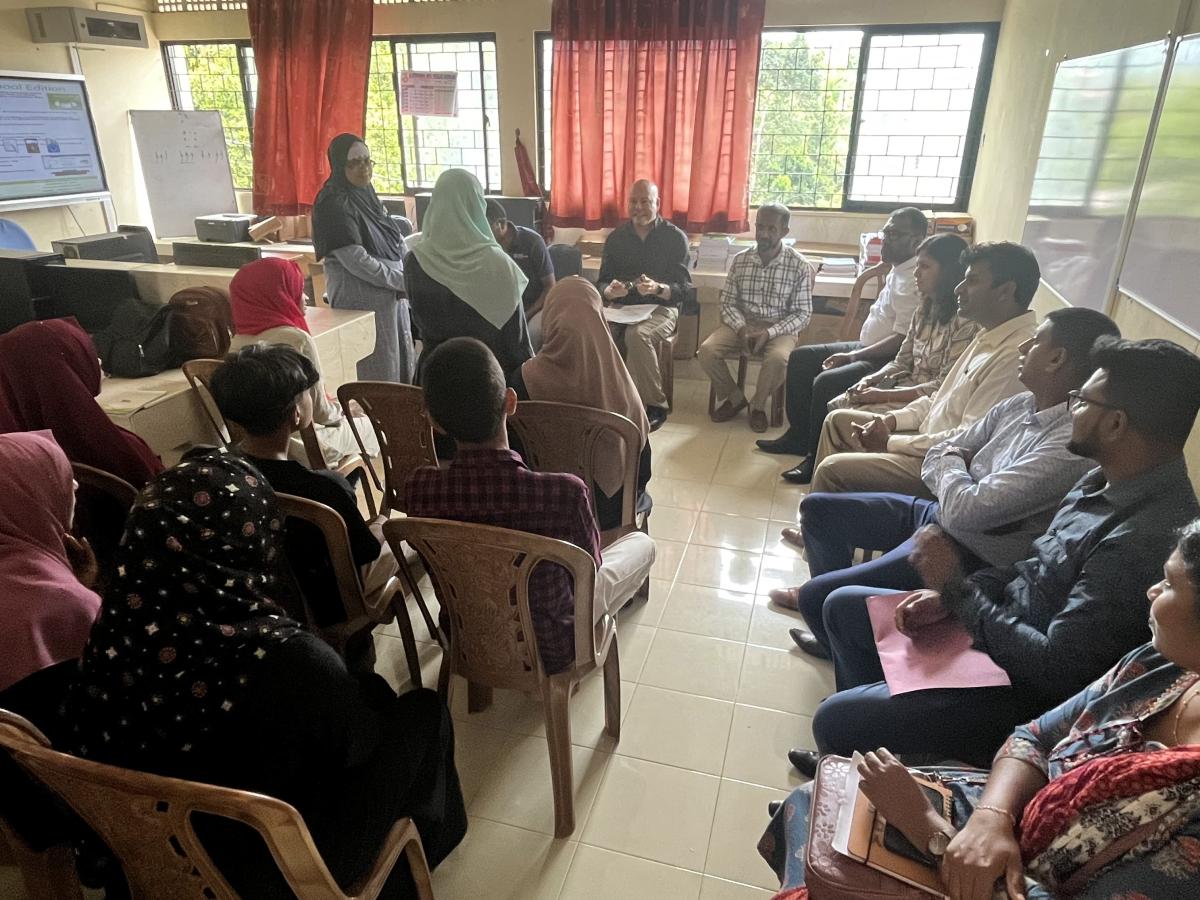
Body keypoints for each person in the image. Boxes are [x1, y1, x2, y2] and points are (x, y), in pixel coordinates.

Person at [787, 337, 1200, 775]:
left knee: (835, 719)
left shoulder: (1145, 537)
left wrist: (960, 594)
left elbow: (1053, 669)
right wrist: (950, 600)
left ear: (1116, 423)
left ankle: (875, 763)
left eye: (1082, 400)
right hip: (1000, 632)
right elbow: (1028, 569)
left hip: (1020, 689)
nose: (1072, 409)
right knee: (843, 609)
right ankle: (890, 742)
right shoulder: (1103, 479)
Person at [66, 450, 466, 899]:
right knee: (423, 712)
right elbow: (357, 746)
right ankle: (419, 856)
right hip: (274, 866)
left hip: (159, 853)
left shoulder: (112, 628)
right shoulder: (288, 660)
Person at [761, 519, 1200, 900]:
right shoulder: (1162, 666)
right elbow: (1036, 735)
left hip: (1006, 875)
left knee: (835, 801)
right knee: (822, 796)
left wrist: (931, 831)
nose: (1152, 589)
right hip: (1007, 822)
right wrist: (992, 818)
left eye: (1170, 584)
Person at [777, 308, 1120, 660]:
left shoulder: (1067, 444)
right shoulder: (1019, 405)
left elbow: (969, 510)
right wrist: (960, 467)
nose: (1024, 348)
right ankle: (843, 628)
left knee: (816, 597)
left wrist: (955, 464)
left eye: (1035, 343)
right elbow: (942, 453)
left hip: (969, 549)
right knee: (817, 511)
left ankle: (845, 630)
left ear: (1056, 359)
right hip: (939, 514)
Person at [404, 338, 657, 676]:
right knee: (641, 545)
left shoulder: (420, 491)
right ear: (510, 402)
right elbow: (591, 569)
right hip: (554, 645)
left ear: (433, 421)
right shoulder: (563, 494)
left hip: (465, 634)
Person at [209, 345, 395, 671]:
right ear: (296, 413)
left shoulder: (221, 473)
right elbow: (364, 551)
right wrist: (381, 525)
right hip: (328, 606)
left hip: (261, 600)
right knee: (402, 538)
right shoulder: (325, 490)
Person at [807, 241, 1040, 496]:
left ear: (1005, 291)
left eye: (972, 281)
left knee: (833, 469)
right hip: (926, 434)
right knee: (837, 420)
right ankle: (821, 515)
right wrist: (891, 419)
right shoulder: (988, 334)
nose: (959, 289)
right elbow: (937, 398)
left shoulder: (1014, 354)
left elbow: (967, 441)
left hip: (943, 464)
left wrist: (891, 442)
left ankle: (823, 524)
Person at [757, 207, 928, 482]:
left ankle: (814, 459)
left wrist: (853, 356)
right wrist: (854, 350)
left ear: (917, 240)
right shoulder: (899, 269)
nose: (886, 239)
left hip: (884, 359)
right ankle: (798, 436)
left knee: (826, 382)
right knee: (800, 359)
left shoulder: (914, 281)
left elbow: (900, 340)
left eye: (895, 234)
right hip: (865, 345)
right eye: (886, 232)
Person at [511, 277, 652, 532]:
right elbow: (642, 472)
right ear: (600, 319)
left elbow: (516, 456)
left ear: (549, 318)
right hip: (613, 515)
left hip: (549, 512)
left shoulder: (522, 380)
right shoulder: (620, 382)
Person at [227, 256, 378, 465]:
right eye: (296, 288)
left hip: (255, 451)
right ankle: (344, 488)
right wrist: (344, 411)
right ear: (277, 294)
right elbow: (320, 412)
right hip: (304, 446)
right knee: (374, 424)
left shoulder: (234, 345)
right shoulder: (294, 339)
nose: (305, 296)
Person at [0, 317, 163, 488]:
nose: (99, 361)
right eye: (82, 354)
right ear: (61, 372)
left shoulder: (14, 469)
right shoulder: (116, 449)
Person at [826, 233, 979, 416]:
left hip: (929, 403)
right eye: (917, 266)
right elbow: (901, 362)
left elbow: (943, 385)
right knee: (839, 402)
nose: (916, 273)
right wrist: (870, 380)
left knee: (841, 416)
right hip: (904, 386)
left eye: (925, 267)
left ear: (949, 272)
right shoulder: (924, 309)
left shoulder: (966, 322)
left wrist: (883, 396)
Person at [405, 168, 532, 382]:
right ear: (477, 205)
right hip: (487, 381)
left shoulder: (416, 261)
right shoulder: (499, 266)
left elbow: (418, 326)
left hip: (434, 379)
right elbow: (516, 343)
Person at [697, 204, 814, 432]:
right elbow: (728, 302)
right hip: (743, 323)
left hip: (779, 327)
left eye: (771, 229)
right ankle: (734, 398)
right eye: (760, 227)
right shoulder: (741, 260)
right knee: (707, 351)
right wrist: (741, 329)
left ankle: (757, 407)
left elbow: (803, 313)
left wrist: (769, 333)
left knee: (778, 359)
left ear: (784, 232)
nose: (763, 234)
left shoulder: (798, 265)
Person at [0, 431, 100, 694]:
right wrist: (82, 595)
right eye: (54, 475)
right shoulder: (66, 611)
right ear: (25, 498)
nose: (75, 485)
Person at [313, 133, 414, 383]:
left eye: (367, 161)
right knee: (378, 371)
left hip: (390, 295)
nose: (364, 168)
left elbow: (393, 237)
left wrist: (408, 273)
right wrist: (401, 281)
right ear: (339, 165)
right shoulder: (333, 203)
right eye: (355, 162)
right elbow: (356, 260)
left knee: (400, 363)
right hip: (362, 299)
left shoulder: (366, 195)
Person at [597, 179, 694, 431]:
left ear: (657, 204)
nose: (638, 207)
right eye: (633, 202)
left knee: (637, 335)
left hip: (661, 308)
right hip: (622, 308)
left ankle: (654, 405)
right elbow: (602, 282)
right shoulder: (617, 238)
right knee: (597, 330)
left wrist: (659, 289)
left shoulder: (675, 239)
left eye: (645, 202)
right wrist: (609, 290)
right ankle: (610, 399)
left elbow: (684, 290)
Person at [486, 199, 555, 349]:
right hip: (504, 309)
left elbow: (550, 286)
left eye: (486, 227)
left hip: (534, 307)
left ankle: (527, 370)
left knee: (530, 336)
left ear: (501, 224)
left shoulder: (532, 241)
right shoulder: (485, 246)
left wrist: (526, 314)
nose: (481, 233)